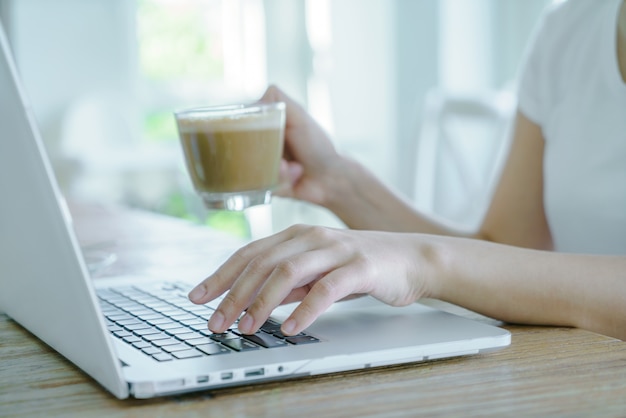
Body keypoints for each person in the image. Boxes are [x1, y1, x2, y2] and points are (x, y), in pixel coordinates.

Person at [189, 0, 626, 341]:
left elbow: (469, 266)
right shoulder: (570, 28)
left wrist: (423, 263)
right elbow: (508, 257)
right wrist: (338, 183)